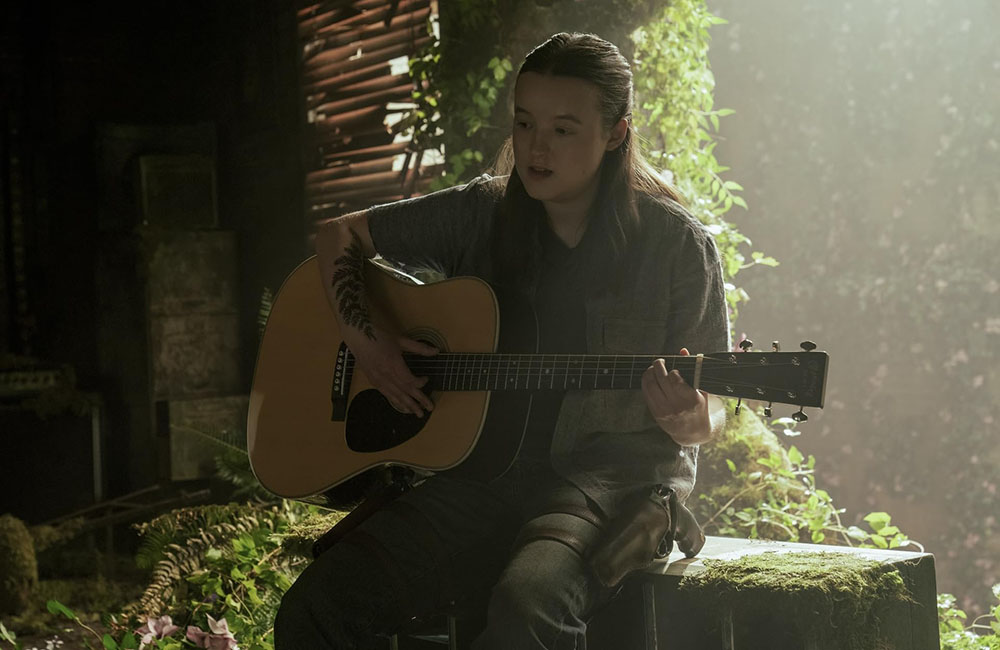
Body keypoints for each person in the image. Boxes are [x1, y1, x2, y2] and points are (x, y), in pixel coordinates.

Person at [274, 31, 729, 649]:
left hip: (604, 485)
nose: (535, 147)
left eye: (563, 129)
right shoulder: (480, 212)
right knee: (317, 606)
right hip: (478, 480)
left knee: (527, 606)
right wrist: (371, 344)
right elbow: (339, 237)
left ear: (616, 133)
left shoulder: (676, 246)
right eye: (524, 122)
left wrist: (687, 418)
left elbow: (712, 409)